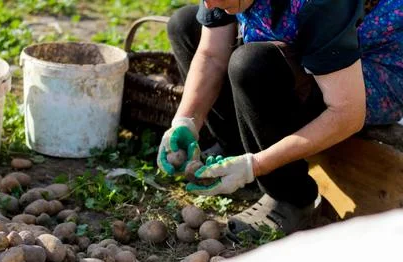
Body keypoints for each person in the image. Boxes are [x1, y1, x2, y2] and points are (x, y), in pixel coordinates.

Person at [156, 0, 403, 240]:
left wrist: (258, 164)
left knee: (252, 65)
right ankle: (235, 152)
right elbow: (211, 54)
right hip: (306, 46)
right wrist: (185, 121)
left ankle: (290, 198)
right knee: (186, 25)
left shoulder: (321, 4)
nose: (208, 5)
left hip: (364, 72)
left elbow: (347, 113)